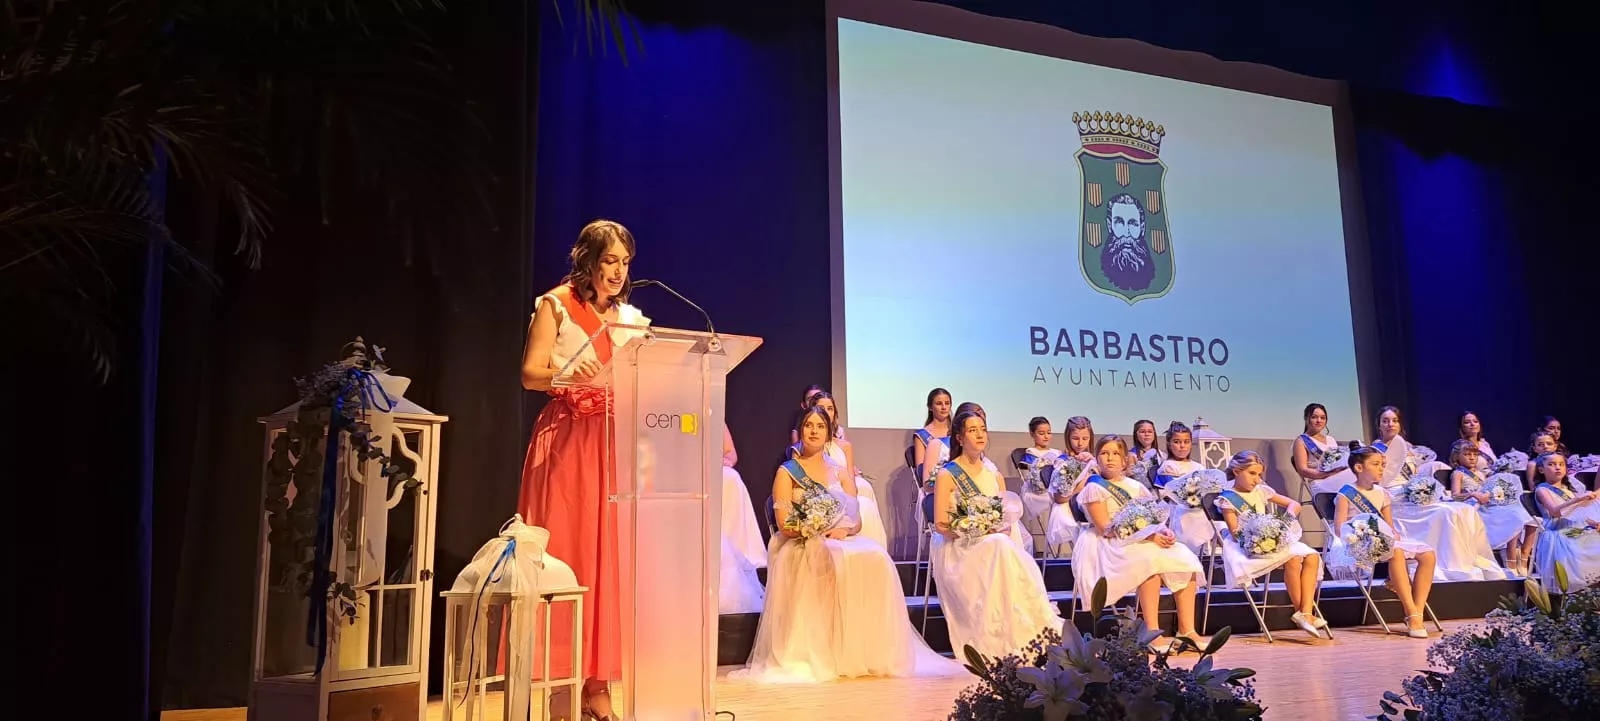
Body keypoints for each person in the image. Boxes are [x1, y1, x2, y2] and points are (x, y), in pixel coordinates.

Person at [517, 220, 650, 720]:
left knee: (608, 563)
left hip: (614, 445)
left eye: (624, 263)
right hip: (569, 443)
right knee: (569, 559)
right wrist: (568, 372)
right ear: (588, 261)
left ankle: (597, 688)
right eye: (610, 260)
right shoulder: (555, 305)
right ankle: (558, 691)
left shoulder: (631, 319)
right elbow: (530, 373)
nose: (617, 271)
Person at [736, 406, 959, 682]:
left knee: (876, 557)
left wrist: (843, 529)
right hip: (799, 540)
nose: (814, 431)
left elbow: (856, 521)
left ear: (829, 432)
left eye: (820, 426)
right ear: (800, 431)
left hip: (838, 537)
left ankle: (866, 649)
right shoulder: (787, 472)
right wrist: (812, 528)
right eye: (809, 426)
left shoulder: (841, 472)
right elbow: (784, 523)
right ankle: (821, 648)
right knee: (827, 555)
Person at [928, 409, 1063, 657]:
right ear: (959, 437)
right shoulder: (948, 474)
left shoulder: (994, 474)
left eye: (982, 429)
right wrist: (972, 528)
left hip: (994, 544)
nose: (979, 435)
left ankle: (1024, 635)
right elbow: (941, 525)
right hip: (959, 546)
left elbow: (1005, 520)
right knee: (999, 545)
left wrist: (993, 528)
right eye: (972, 430)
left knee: (1003, 545)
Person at [1072, 435, 1207, 650]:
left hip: (1141, 539)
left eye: (1116, 454)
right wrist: (1149, 536)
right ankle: (1151, 632)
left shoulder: (1136, 487)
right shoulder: (1094, 487)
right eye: (1104, 453)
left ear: (1125, 460)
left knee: (1185, 558)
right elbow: (1106, 529)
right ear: (1097, 459)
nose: (1110, 458)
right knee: (1148, 564)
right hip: (1108, 544)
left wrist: (1164, 531)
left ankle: (1186, 630)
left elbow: (1151, 517)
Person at [1373, 406, 1505, 581]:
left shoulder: (1408, 448)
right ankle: (1447, 563)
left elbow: (1413, 474)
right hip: (1392, 498)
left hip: (1410, 493)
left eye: (1395, 420)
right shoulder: (1375, 450)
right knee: (1445, 513)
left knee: (1461, 510)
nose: (1391, 424)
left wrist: (1420, 488)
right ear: (1379, 425)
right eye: (1386, 421)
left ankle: (1465, 561)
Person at [1326, 446, 1437, 638]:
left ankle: (1416, 612)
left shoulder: (1382, 493)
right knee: (1397, 554)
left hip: (1383, 541)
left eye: (1382, 465)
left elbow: (1389, 525)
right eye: (1375, 464)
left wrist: (1393, 534)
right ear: (1359, 468)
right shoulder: (1346, 493)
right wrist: (1367, 535)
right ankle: (1411, 613)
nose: (1380, 469)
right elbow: (1339, 528)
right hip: (1357, 542)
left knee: (1428, 555)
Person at [1215, 451, 1327, 638]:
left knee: (1313, 556)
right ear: (1236, 471)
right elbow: (1236, 534)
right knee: (1294, 558)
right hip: (1248, 545)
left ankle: (1305, 612)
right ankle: (1305, 615)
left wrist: (1282, 523)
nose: (1257, 479)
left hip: (1270, 538)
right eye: (1252, 474)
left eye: (1259, 475)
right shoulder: (1228, 499)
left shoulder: (1262, 490)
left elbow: (1293, 504)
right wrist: (1259, 537)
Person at [1448, 440, 1537, 577]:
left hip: (1491, 504)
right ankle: (1511, 558)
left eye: (1474, 454)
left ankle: (1524, 556)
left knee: (1528, 518)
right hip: (1477, 508)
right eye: (1466, 454)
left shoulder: (1481, 473)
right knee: (1514, 516)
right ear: (1456, 457)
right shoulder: (1458, 473)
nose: (1472, 457)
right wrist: (1473, 494)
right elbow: (1454, 496)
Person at [1532, 452, 1600, 591]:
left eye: (1561, 464)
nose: (1557, 468)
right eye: (1552, 464)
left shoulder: (1567, 490)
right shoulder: (1542, 489)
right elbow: (1555, 512)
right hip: (1558, 532)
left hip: (1576, 528)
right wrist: (1578, 499)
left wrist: (1593, 523)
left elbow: (1577, 513)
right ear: (1541, 469)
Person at [719, 426, 766, 614]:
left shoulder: (713, 414)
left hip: (714, 470)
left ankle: (736, 547)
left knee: (731, 477)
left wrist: (722, 461)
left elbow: (731, 454)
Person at [1293, 403, 1354, 498]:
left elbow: (1337, 461)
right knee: (1354, 476)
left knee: (1358, 472)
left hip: (1336, 477)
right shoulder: (1301, 441)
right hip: (1319, 482)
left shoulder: (1331, 439)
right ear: (1306, 418)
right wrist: (1328, 474)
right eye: (1314, 417)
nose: (1319, 421)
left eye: (1322, 418)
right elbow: (1302, 470)